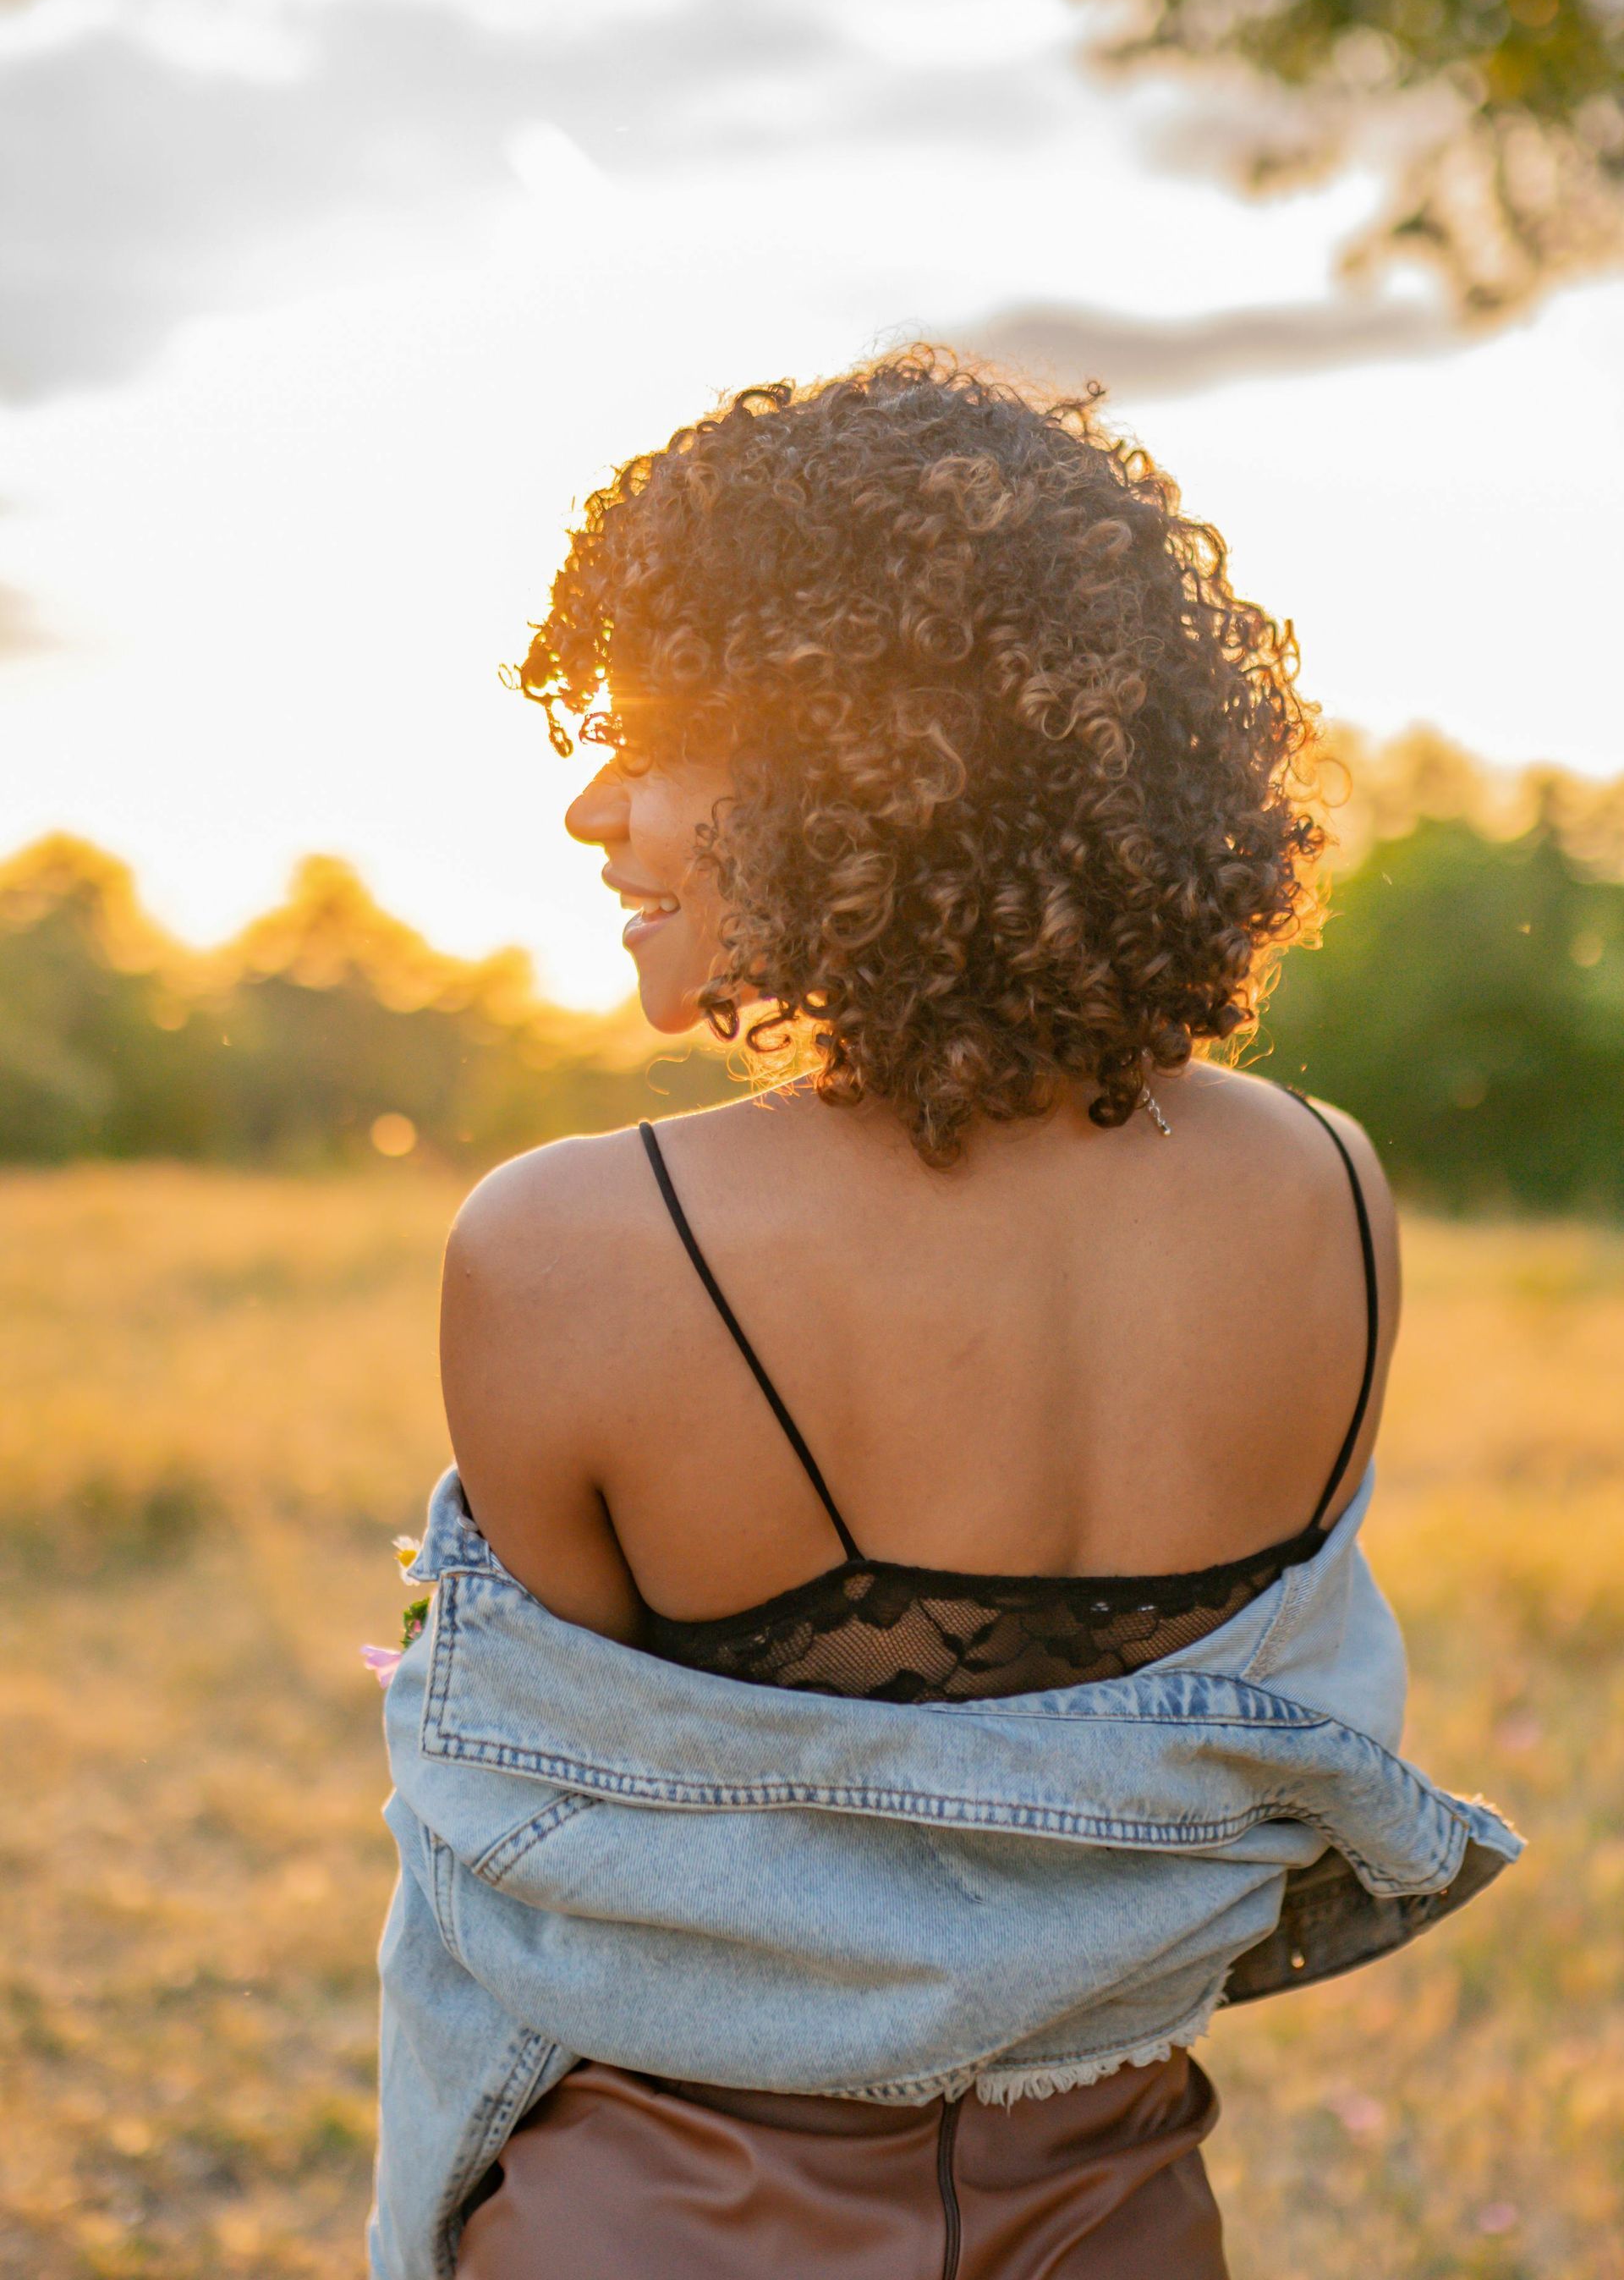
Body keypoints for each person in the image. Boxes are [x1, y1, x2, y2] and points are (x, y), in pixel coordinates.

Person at [369, 353, 1520, 2280]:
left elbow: (557, 1842)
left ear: (866, 767)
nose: (590, 807)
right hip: (1123, 2210)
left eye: (657, 741)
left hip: (661, 2218)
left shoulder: (572, 1243)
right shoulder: (1332, 1187)